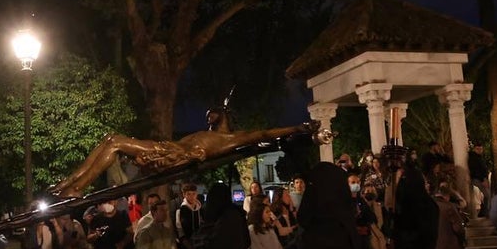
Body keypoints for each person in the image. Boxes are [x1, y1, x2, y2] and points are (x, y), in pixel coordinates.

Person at [49, 106, 314, 197]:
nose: (208, 116)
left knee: (116, 141)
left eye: (213, 113)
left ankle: (77, 186)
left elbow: (266, 133)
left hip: (172, 153)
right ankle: (72, 182)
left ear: (224, 116)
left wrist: (298, 127)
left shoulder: (231, 139)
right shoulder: (207, 133)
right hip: (171, 150)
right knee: (111, 139)